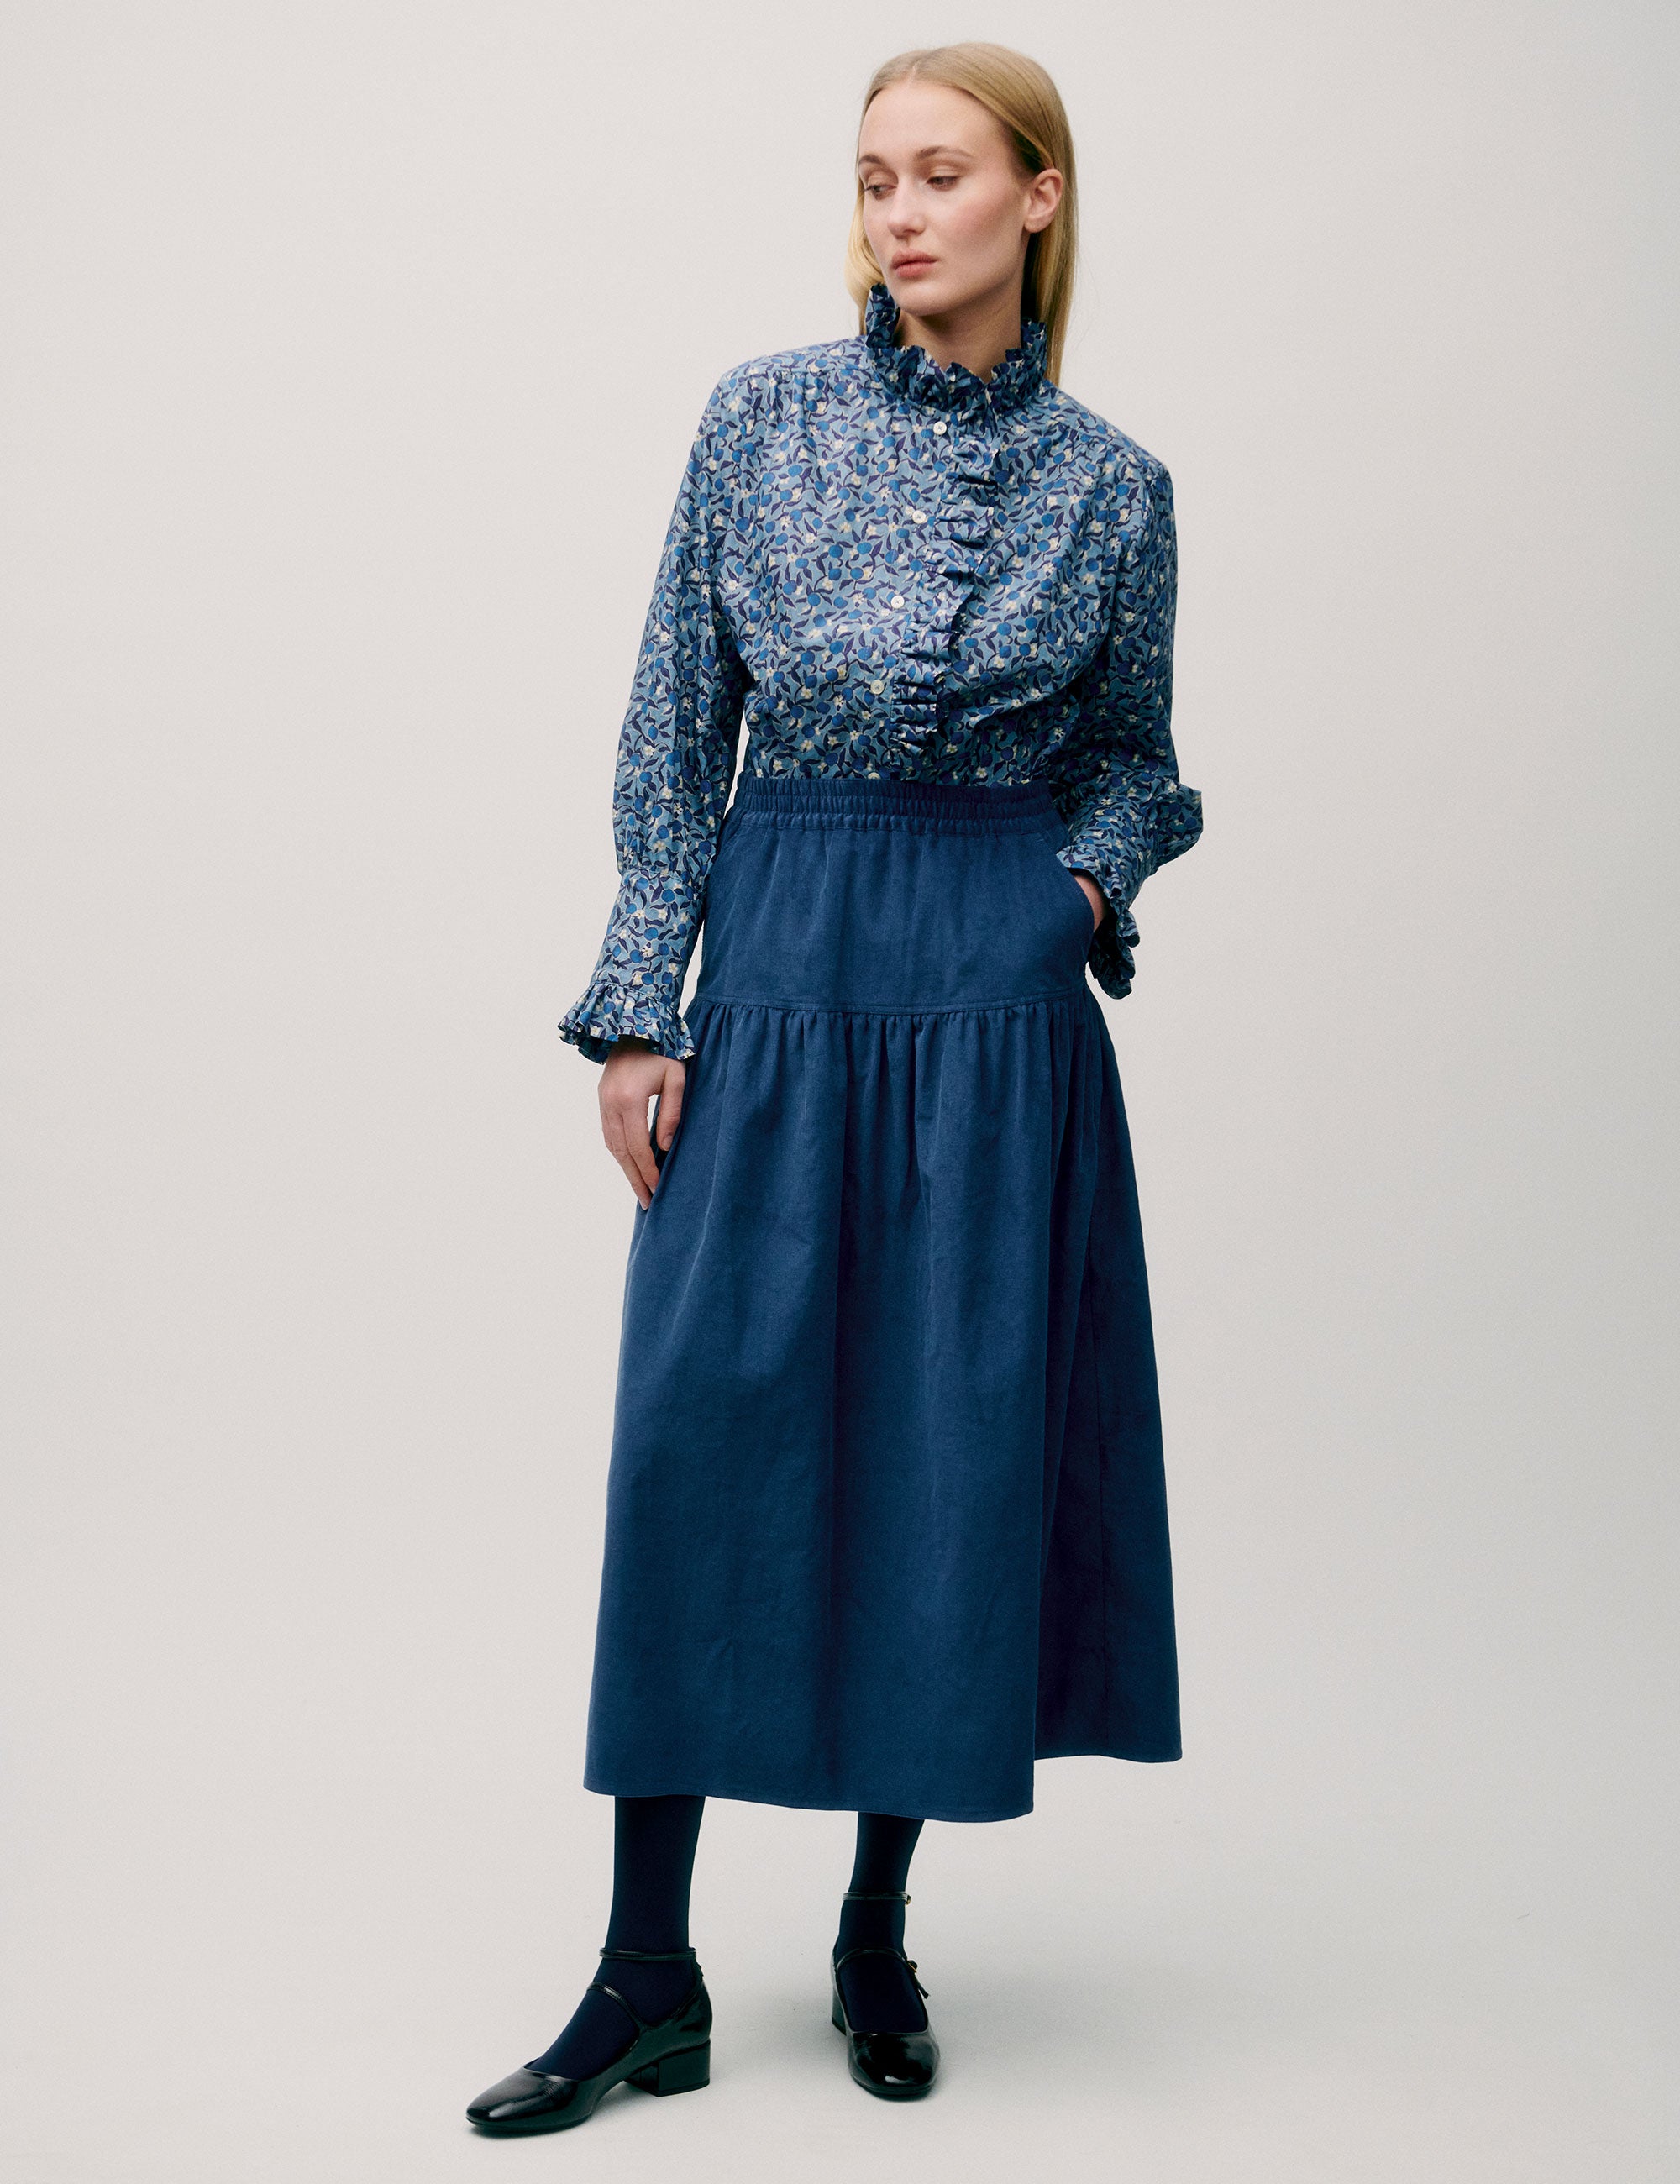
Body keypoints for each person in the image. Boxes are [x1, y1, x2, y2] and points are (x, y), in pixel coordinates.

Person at [466, 39, 1203, 2134]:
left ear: (1037, 198)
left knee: (944, 1456)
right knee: (702, 1442)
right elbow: (668, 730)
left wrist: (1074, 889)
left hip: (989, 1001)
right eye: (873, 177)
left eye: (943, 174)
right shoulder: (758, 423)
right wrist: (639, 1003)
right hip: (778, 963)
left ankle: (877, 1925)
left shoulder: (1115, 490)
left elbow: (1139, 761)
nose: (898, 213)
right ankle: (642, 1974)